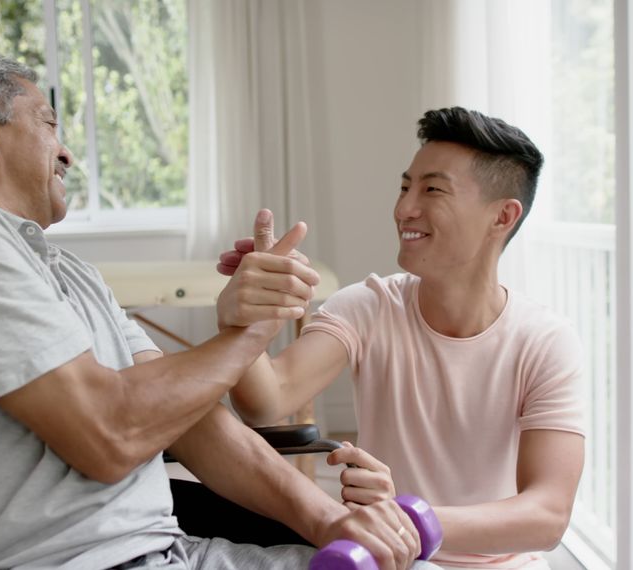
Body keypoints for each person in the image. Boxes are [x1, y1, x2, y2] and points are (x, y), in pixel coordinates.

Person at [0, 47, 438, 570]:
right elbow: (107, 435)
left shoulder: (70, 272)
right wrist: (247, 333)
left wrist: (329, 519)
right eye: (49, 123)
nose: (66, 152)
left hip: (164, 551)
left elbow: (194, 423)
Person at [219, 107, 586, 569]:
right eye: (404, 186)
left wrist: (408, 517)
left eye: (432, 189)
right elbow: (265, 401)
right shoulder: (368, 306)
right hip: (389, 560)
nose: (403, 208)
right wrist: (245, 324)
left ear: (502, 217)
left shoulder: (546, 342)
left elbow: (548, 515)